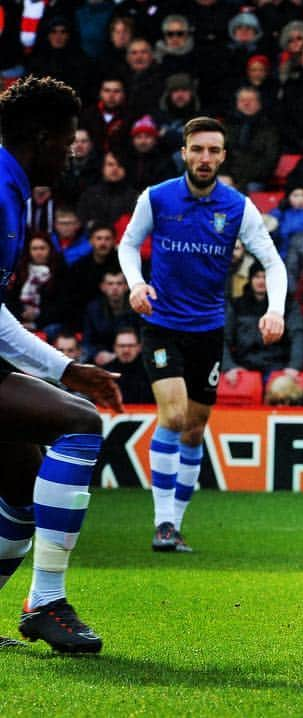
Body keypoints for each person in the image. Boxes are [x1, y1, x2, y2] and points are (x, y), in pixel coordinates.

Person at [119, 117, 286, 554]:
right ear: (184, 152)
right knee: (172, 417)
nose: (205, 158)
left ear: (223, 155)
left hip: (208, 331)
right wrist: (136, 284)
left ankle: (174, 523)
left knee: (194, 429)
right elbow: (127, 244)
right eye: (198, 150)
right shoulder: (156, 198)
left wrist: (275, 309)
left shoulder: (237, 207)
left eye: (213, 151)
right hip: (161, 324)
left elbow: (273, 263)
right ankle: (162, 523)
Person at [0, 76, 123, 653]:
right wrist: (66, 368)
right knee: (78, 421)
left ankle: (43, 601)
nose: (75, 150)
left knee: (25, 486)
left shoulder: (13, 187)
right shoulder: (1, 189)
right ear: (44, 137)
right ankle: (46, 600)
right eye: (70, 138)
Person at [103, 325, 154, 404]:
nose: (126, 350)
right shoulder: (105, 372)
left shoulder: (150, 371)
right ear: (114, 348)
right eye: (122, 346)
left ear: (139, 347)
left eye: (131, 346)